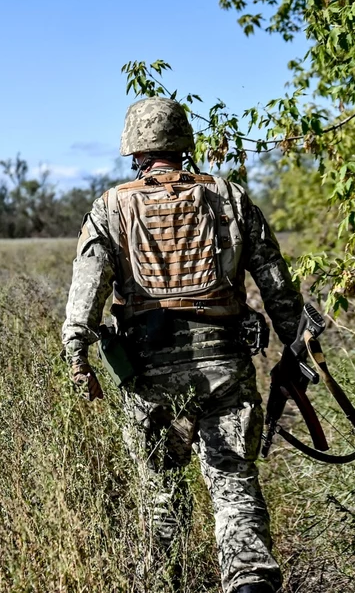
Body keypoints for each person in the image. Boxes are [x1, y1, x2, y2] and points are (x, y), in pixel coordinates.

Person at [61, 97, 303, 593]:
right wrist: (298, 351)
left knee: (161, 493)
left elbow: (85, 290)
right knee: (233, 484)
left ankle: (163, 582)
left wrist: (76, 355)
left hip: (151, 379)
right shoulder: (230, 198)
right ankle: (251, 583)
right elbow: (279, 288)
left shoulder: (110, 207)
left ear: (134, 151)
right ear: (184, 144)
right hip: (226, 369)